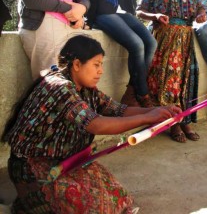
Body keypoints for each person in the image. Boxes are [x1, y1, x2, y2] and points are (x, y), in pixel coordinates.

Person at [2, 34, 181, 213]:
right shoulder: (60, 87)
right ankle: (26, 203)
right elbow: (96, 124)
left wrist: (157, 112)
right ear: (77, 64)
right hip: (33, 167)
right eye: (96, 64)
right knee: (94, 209)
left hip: (67, 161)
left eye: (101, 65)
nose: (101, 71)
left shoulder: (87, 89)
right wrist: (148, 117)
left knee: (119, 199)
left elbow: (119, 110)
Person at [136, 0, 207, 143]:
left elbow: (199, 5)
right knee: (163, 81)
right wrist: (155, 16)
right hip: (161, 38)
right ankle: (172, 123)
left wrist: (201, 14)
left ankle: (182, 119)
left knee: (182, 80)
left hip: (184, 38)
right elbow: (140, 11)